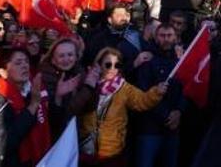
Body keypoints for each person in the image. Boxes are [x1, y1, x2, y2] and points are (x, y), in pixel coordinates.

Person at [78, 47, 167, 166]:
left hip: (112, 153)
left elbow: (142, 101)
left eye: (117, 65)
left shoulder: (124, 88)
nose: (112, 69)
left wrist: (157, 92)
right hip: (86, 150)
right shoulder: (89, 84)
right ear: (99, 64)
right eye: (108, 64)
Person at [0, 47, 50, 167]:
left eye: (26, 61)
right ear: (3, 72)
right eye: (18, 63)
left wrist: (58, 97)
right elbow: (2, 144)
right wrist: (33, 105)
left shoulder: (31, 90)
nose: (25, 65)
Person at [134, 24, 185, 167]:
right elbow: (143, 90)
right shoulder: (147, 60)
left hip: (173, 128)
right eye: (162, 36)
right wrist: (166, 115)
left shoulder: (181, 61)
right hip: (150, 128)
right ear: (156, 37)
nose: (166, 39)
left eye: (169, 36)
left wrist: (179, 112)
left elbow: (185, 88)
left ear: (175, 37)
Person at [38, 37, 95, 140]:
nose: (66, 59)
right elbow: (64, 114)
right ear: (53, 59)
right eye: (61, 56)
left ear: (76, 57)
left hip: (73, 134)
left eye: (70, 55)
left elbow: (89, 108)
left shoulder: (79, 72)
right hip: (53, 138)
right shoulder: (44, 77)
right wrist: (88, 88)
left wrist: (94, 85)